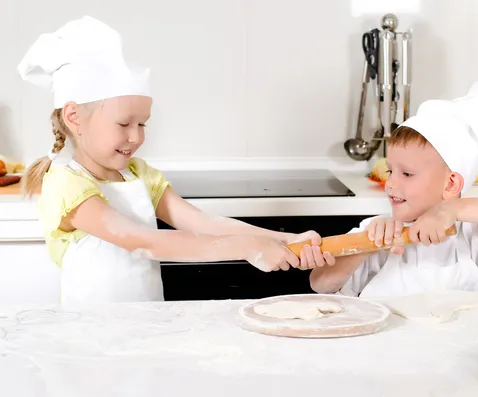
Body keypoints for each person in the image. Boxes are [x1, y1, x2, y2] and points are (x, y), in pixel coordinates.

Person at [18, 16, 332, 305]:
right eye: (124, 123)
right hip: (92, 334)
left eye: (142, 124)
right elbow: (146, 242)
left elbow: (206, 224)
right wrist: (247, 248)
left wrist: (284, 239)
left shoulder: (139, 175)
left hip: (146, 322)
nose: (136, 137)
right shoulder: (66, 184)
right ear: (74, 117)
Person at [309, 81, 478, 298]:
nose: (391, 183)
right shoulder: (376, 231)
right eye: (391, 171)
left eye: (407, 174)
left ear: (451, 184)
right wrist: (365, 244)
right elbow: (321, 284)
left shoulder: (476, 234)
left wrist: (451, 210)